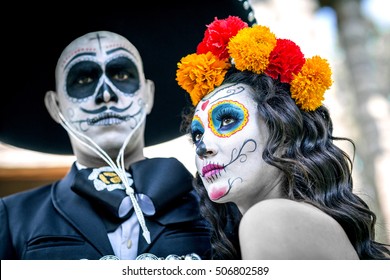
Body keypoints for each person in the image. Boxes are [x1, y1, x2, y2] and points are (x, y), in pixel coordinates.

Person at [176, 16, 390, 259]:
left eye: (227, 120)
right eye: (197, 134)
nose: (203, 147)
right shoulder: (295, 224)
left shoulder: (269, 220)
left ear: (284, 133)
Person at [0, 31, 212, 260]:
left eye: (121, 74)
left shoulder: (213, 204)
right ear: (55, 106)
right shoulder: (12, 217)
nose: (106, 94)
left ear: (148, 95)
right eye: (83, 79)